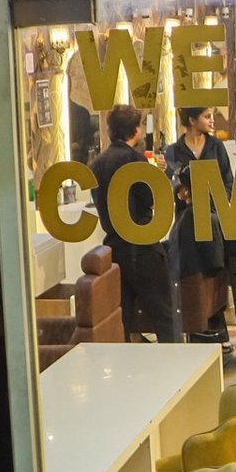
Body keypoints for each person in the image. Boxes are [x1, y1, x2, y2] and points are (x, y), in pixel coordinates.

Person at [90, 104, 179, 343]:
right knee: (164, 314)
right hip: (142, 245)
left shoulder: (97, 163)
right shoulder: (133, 159)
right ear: (136, 130)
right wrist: (160, 176)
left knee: (123, 318)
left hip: (114, 248)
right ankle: (176, 361)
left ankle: (128, 363)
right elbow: (150, 197)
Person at [167, 105, 233, 346]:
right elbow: (172, 184)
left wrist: (214, 201)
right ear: (192, 120)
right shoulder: (174, 151)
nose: (212, 120)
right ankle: (199, 326)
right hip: (188, 221)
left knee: (213, 273)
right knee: (194, 274)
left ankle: (216, 326)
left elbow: (228, 182)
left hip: (214, 216)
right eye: (207, 117)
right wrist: (183, 192)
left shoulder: (216, 147)